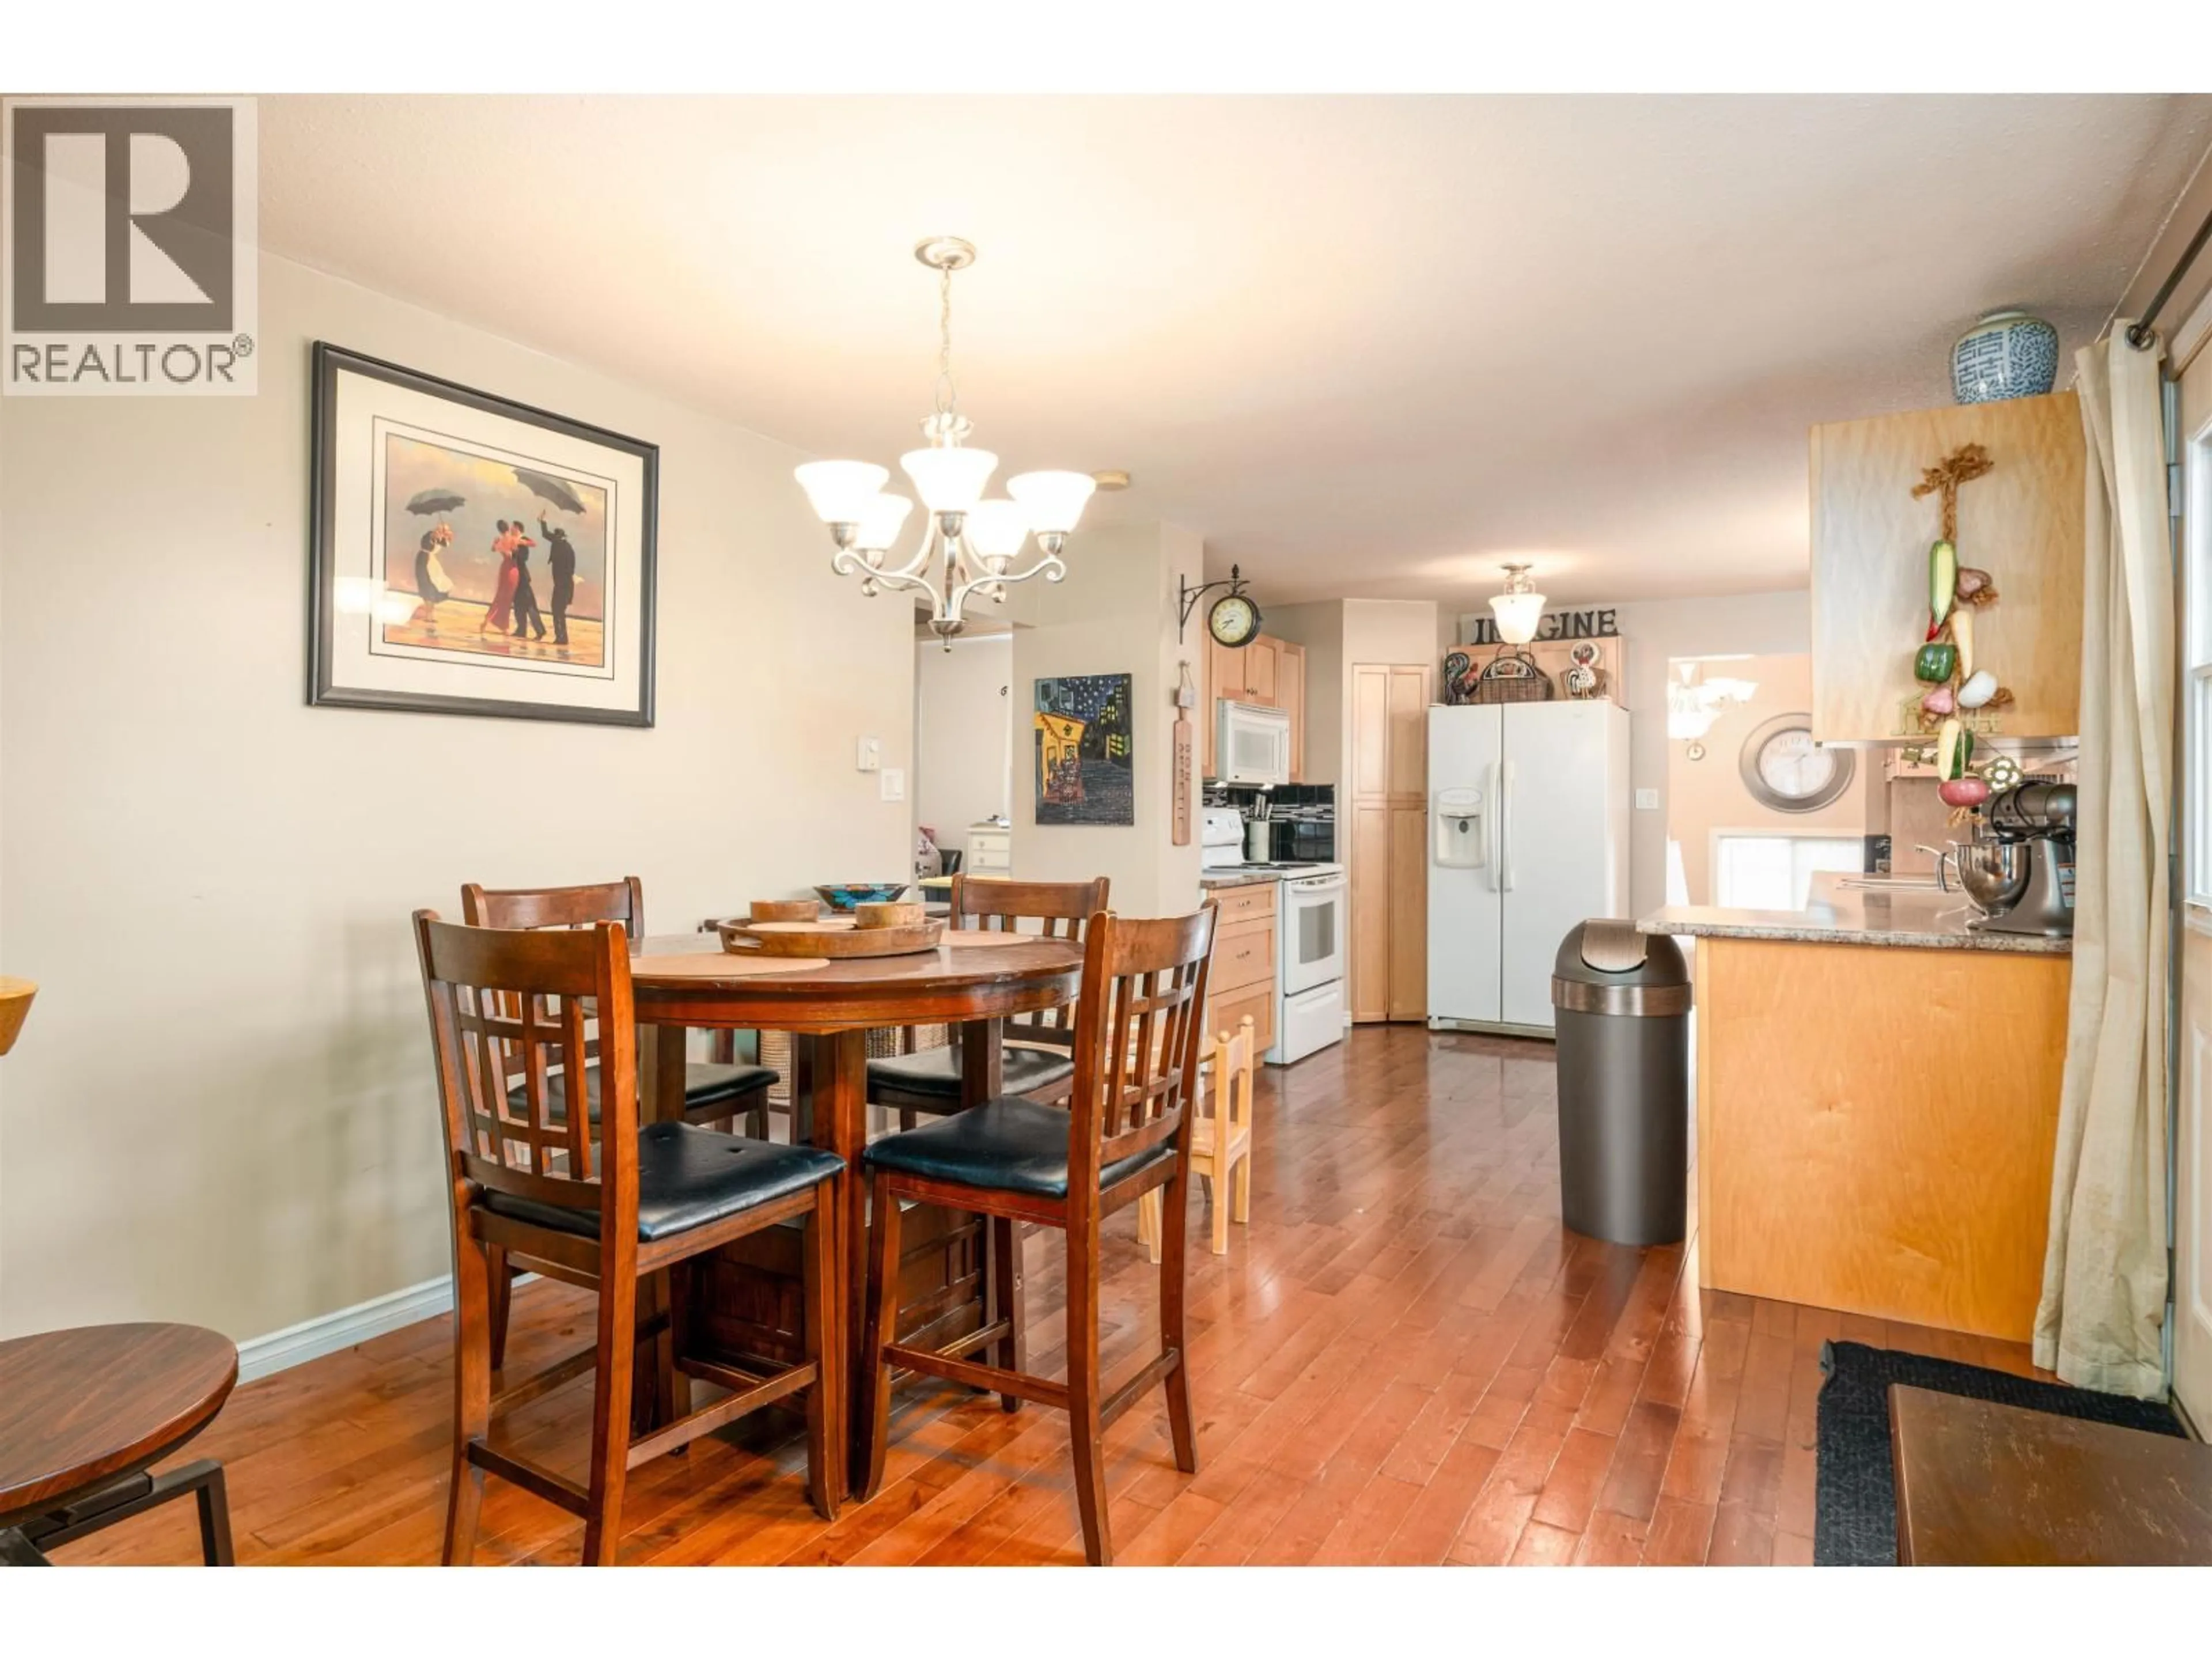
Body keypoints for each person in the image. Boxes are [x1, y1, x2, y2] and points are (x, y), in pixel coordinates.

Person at [539, 515, 577, 646]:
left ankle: (561, 638)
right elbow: (572, 569)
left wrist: (543, 521)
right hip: (567, 585)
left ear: (557, 537)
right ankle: (562, 637)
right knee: (560, 611)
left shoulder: (558, 544)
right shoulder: (569, 548)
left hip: (562, 585)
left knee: (557, 610)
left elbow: (545, 534)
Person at [480, 521, 521, 635]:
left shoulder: (499, 540)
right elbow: (514, 555)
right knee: (507, 598)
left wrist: (497, 545)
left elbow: (494, 549)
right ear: (508, 527)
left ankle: (489, 620)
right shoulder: (513, 539)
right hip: (512, 569)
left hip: (504, 568)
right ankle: (504, 627)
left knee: (500, 596)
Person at [412, 522, 453, 624]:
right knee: (428, 585)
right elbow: (431, 540)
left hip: (431, 561)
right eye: (441, 530)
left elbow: (446, 544)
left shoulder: (440, 538)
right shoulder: (430, 535)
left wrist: (447, 537)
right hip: (424, 561)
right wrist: (439, 535)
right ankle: (428, 616)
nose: (441, 532)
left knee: (435, 586)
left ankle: (430, 616)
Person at [509, 533, 547, 641]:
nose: (512, 530)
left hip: (523, 580)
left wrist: (519, 546)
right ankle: (521, 630)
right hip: (517, 579)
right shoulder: (513, 542)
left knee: (530, 606)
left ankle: (540, 631)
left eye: (514, 528)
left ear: (518, 529)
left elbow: (525, 556)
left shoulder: (523, 541)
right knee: (518, 606)